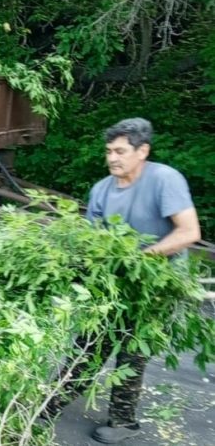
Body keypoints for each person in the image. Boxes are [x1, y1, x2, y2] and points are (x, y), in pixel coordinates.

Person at [44, 117, 200, 444]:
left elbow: (188, 232)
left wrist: (140, 259)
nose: (113, 158)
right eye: (109, 151)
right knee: (89, 344)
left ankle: (123, 422)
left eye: (120, 151)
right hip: (115, 279)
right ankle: (48, 406)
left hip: (158, 282)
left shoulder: (165, 180)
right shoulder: (102, 190)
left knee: (132, 349)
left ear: (142, 151)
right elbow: (93, 242)